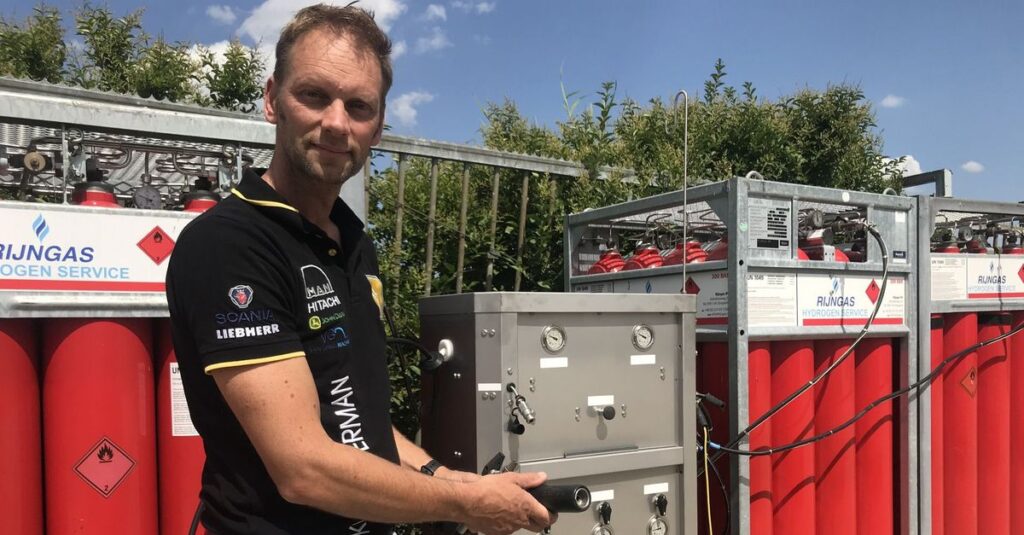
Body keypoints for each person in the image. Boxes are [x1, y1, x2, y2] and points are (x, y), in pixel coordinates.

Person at [165, 5, 555, 534]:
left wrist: (449, 478)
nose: (336, 122)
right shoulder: (230, 245)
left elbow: (356, 419)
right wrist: (466, 504)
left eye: (358, 106)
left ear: (379, 125)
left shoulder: (351, 243)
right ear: (272, 99)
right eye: (314, 95)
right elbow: (303, 469)